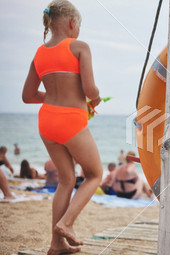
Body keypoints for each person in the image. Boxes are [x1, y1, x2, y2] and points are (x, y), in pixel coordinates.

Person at [22, 0, 103, 255]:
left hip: (47, 121)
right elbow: (90, 90)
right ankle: (66, 223)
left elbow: (28, 96)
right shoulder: (80, 46)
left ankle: (56, 244)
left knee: (66, 179)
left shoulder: (39, 53)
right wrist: (96, 98)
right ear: (71, 23)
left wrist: (55, 97)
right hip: (71, 120)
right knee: (94, 174)